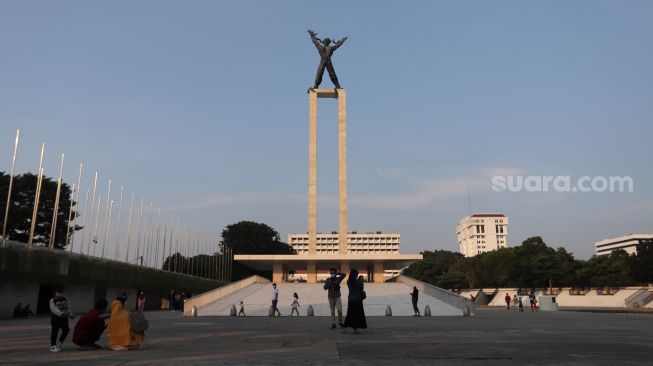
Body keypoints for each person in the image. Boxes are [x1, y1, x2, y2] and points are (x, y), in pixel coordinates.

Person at [49, 285, 74, 352]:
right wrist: (61, 314)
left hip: (64, 318)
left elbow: (68, 307)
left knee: (66, 330)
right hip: (56, 318)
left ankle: (60, 341)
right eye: (58, 291)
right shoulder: (52, 300)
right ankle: (53, 346)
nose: (60, 293)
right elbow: (53, 309)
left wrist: (70, 314)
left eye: (61, 291)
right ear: (55, 292)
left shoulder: (65, 298)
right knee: (55, 332)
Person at [343, 269, 367, 334]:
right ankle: (354, 330)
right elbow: (361, 288)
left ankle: (345, 329)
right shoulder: (358, 282)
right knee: (356, 315)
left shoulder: (348, 282)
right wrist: (361, 281)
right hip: (357, 300)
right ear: (356, 275)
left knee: (349, 314)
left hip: (350, 300)